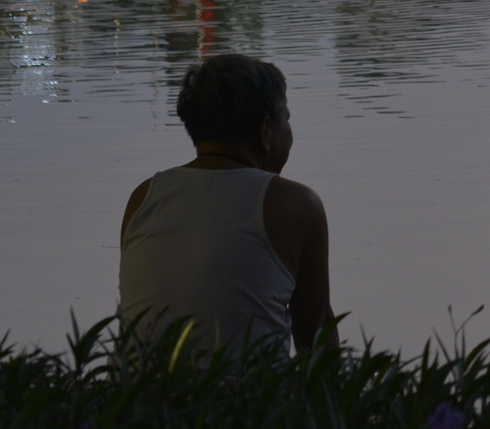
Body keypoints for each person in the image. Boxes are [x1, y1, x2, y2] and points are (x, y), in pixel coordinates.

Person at [119, 53, 334, 355]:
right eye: (286, 118)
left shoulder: (143, 198)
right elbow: (316, 335)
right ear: (266, 131)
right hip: (249, 401)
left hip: (138, 400)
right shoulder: (295, 205)